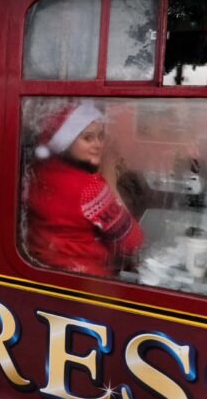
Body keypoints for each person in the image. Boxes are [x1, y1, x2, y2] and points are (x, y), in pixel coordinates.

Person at [25, 100, 144, 277]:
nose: (98, 144)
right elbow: (132, 241)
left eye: (100, 136)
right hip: (87, 279)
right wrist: (110, 179)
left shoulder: (38, 171)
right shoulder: (90, 188)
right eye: (87, 138)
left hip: (44, 270)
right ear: (67, 140)